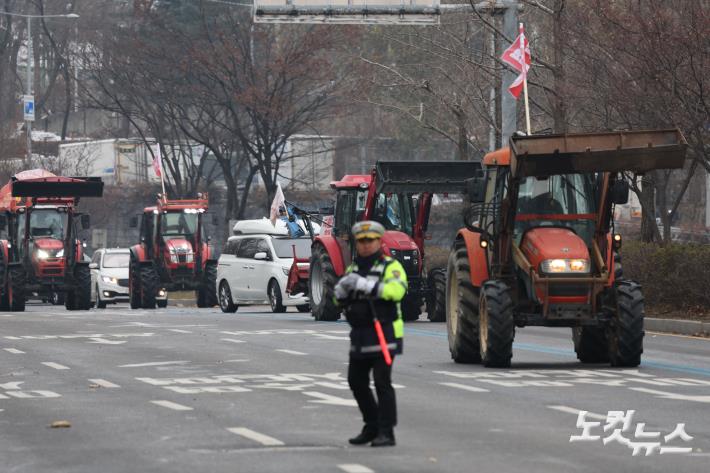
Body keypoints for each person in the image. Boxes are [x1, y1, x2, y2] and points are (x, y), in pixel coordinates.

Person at [334, 220, 407, 447]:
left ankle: (386, 432)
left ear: (378, 241)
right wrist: (341, 289)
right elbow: (339, 300)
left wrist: (366, 285)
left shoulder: (390, 266)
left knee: (382, 382)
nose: (365, 245)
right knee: (355, 381)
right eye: (361, 241)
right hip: (360, 334)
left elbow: (397, 291)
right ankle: (371, 425)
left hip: (384, 333)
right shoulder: (352, 270)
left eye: (370, 241)